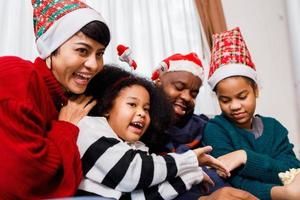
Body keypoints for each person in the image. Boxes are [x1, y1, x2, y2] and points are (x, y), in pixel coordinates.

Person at [0, 0, 110, 198]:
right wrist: (66, 127)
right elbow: (18, 182)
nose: (94, 65)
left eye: (100, 53)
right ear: (50, 49)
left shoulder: (63, 99)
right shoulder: (16, 77)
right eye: (82, 50)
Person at [76, 64, 230, 199]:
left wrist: (191, 176)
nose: (142, 113)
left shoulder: (136, 147)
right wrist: (190, 160)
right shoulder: (90, 128)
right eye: (132, 104)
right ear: (107, 107)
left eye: (146, 109)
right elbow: (132, 173)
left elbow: (141, 196)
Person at [202, 27, 300, 200]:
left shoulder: (275, 128)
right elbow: (234, 182)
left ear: (255, 90)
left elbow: (292, 169)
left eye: (242, 96)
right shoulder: (215, 130)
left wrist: (245, 156)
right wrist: (282, 193)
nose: (235, 106)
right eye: (225, 100)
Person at [147, 52, 258, 200]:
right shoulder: (142, 126)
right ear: (158, 82)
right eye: (179, 87)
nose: (187, 97)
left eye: (194, 94)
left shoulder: (203, 126)